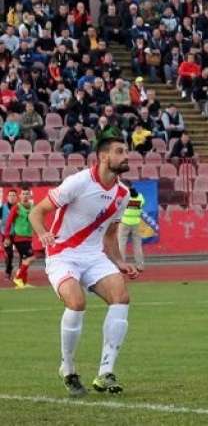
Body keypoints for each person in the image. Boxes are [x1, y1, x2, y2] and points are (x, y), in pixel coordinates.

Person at [29, 126, 138, 397]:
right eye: (120, 152)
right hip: (62, 254)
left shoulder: (123, 194)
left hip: (94, 256)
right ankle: (68, 369)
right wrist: (43, 233)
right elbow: (37, 211)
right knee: (76, 302)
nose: (126, 156)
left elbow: (111, 235)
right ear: (103, 157)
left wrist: (121, 262)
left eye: (126, 151)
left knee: (121, 297)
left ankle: (105, 374)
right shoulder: (79, 182)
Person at [3, 187, 35, 289]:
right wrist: (7, 237)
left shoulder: (33, 207)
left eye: (27, 194)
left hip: (28, 237)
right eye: (23, 194)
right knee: (28, 257)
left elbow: (37, 220)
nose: (25, 196)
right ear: (20, 196)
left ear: (30, 195)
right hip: (17, 237)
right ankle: (16, 276)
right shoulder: (15, 207)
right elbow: (8, 222)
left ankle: (22, 283)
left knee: (25, 259)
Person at [118, 186, 145, 271]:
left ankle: (121, 265)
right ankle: (140, 266)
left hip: (124, 222)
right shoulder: (140, 197)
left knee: (121, 245)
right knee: (137, 246)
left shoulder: (125, 197)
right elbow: (143, 204)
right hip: (136, 222)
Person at [1, 189, 19, 281]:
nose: (12, 197)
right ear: (7, 197)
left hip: (18, 234)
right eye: (10, 195)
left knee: (23, 254)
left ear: (17, 197)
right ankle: (8, 272)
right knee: (9, 254)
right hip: (6, 235)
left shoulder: (20, 208)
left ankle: (20, 274)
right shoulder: (2, 208)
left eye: (14, 195)